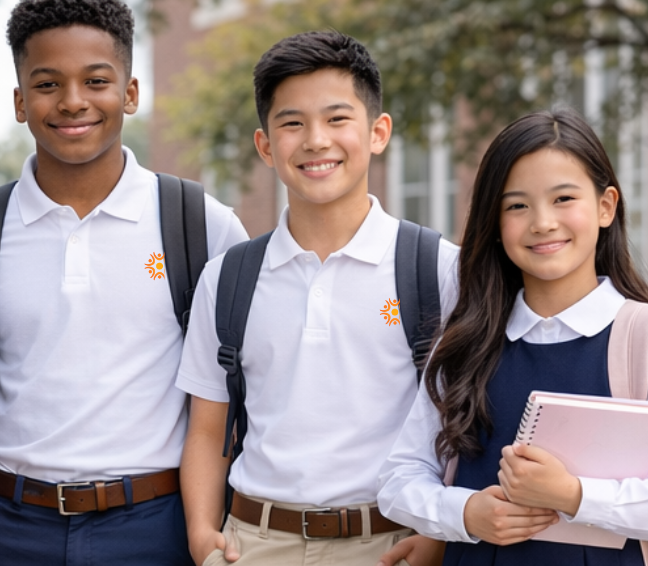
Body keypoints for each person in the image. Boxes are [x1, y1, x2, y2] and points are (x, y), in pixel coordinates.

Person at [0, 0, 249, 565]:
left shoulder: (200, 225)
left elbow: (244, 385)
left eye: (96, 81)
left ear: (129, 92)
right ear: (21, 101)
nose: (73, 101)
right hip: (3, 527)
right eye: (47, 84)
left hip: (156, 528)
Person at [377, 110, 648, 565]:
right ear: (495, 223)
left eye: (563, 199)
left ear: (605, 206)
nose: (542, 222)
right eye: (517, 205)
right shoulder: (466, 343)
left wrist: (573, 495)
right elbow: (399, 480)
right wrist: (464, 512)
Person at [175, 30, 454, 566]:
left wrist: (437, 535)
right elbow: (208, 430)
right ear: (265, 145)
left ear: (378, 132)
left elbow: (461, 421)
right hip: (254, 543)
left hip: (392, 541)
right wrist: (201, 534)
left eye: (336, 118)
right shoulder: (228, 277)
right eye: (292, 123)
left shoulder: (438, 268)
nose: (315, 140)